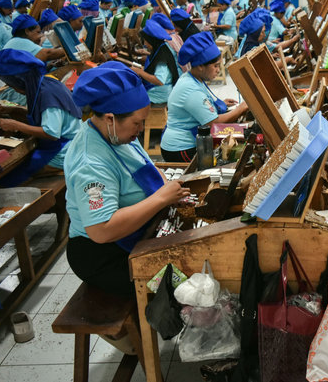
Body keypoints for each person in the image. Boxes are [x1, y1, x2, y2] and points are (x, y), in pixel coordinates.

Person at [64, 61, 190, 298]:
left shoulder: (117, 135)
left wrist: (166, 190)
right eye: (137, 123)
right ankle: (136, 334)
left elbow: (148, 166)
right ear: (110, 118)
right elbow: (101, 230)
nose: (141, 129)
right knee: (178, 289)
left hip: (137, 232)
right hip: (104, 253)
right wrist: (161, 198)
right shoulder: (90, 164)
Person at [0, 49, 82, 187]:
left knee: (6, 180)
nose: (15, 90)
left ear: (20, 81)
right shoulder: (45, 82)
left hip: (64, 151)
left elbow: (51, 133)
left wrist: (15, 125)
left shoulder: (47, 94)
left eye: (13, 86)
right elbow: (43, 114)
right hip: (70, 144)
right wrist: (15, 110)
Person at [161, 32, 248, 162]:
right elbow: (214, 122)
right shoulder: (190, 88)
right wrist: (240, 109)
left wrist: (220, 104)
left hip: (188, 142)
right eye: (215, 66)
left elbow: (202, 104)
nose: (218, 70)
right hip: (181, 149)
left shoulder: (195, 79)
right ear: (201, 66)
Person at [131, 20, 179, 105]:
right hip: (164, 90)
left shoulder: (161, 59)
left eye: (146, 41)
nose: (145, 44)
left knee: (129, 97)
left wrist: (139, 72)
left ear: (151, 40)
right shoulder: (162, 47)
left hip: (160, 94)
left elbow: (159, 81)